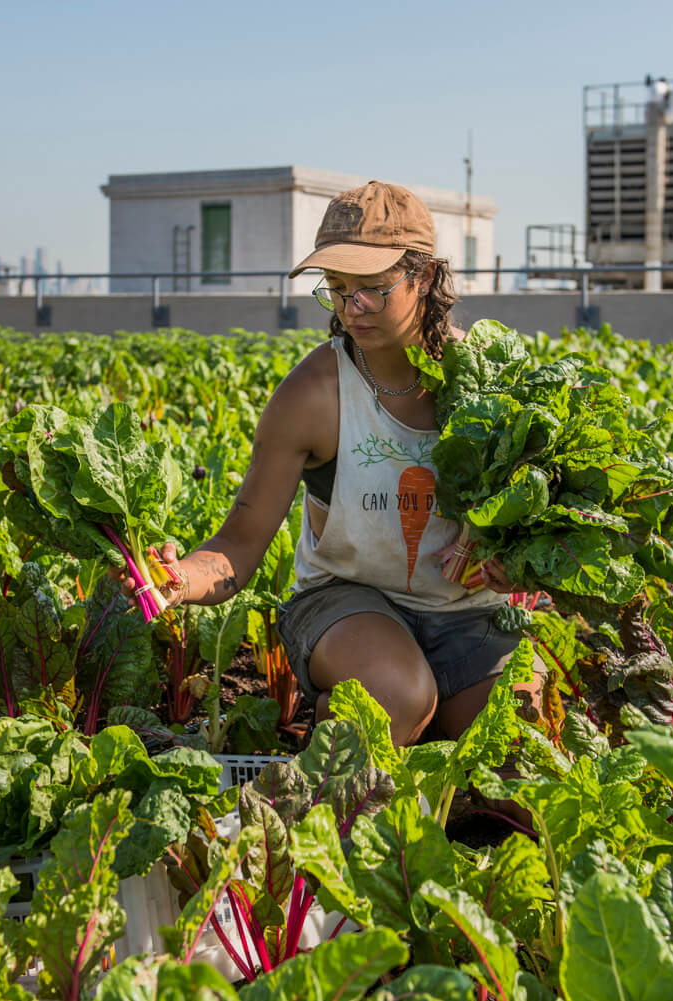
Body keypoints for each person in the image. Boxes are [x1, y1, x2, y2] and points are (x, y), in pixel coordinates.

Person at [119, 180, 539, 747]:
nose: (350, 308)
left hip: (467, 615)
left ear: (426, 278)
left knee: (519, 736)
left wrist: (514, 566)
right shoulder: (315, 393)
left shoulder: (490, 380)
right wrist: (176, 580)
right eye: (337, 289)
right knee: (394, 693)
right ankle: (332, 797)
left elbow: (538, 528)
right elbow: (240, 545)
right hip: (344, 605)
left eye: (371, 288)